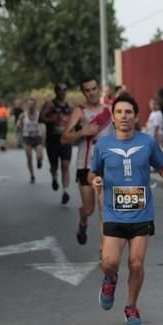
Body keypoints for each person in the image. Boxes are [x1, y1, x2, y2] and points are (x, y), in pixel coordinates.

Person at [90, 94, 163, 325]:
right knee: (109, 262)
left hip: (141, 212)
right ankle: (110, 280)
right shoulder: (103, 145)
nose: (124, 116)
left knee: (136, 263)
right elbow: (93, 172)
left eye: (128, 112)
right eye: (119, 112)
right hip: (113, 212)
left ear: (136, 116)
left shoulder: (147, 142)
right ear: (113, 117)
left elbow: (162, 166)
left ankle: (131, 307)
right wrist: (96, 180)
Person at [61, 77, 113, 245]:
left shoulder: (110, 111)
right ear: (83, 93)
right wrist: (83, 132)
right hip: (86, 165)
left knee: (104, 209)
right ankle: (82, 221)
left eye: (94, 89)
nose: (92, 93)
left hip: (108, 165)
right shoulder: (80, 111)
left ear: (99, 89)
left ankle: (104, 251)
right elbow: (64, 138)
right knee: (89, 209)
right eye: (87, 90)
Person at [41, 83, 73, 204]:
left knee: (65, 165)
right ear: (55, 91)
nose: (62, 92)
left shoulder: (69, 105)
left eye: (64, 89)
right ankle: (54, 177)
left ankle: (65, 192)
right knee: (54, 166)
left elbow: (74, 119)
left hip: (65, 139)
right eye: (59, 90)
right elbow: (41, 118)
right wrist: (53, 119)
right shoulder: (50, 104)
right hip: (52, 140)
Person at [17, 97, 44, 184]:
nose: (31, 106)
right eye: (29, 104)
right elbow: (18, 126)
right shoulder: (23, 115)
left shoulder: (39, 114)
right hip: (27, 137)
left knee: (40, 155)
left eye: (32, 104)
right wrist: (20, 122)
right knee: (29, 157)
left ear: (35, 105)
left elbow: (43, 126)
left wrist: (43, 135)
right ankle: (32, 175)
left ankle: (39, 161)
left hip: (37, 136)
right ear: (27, 105)